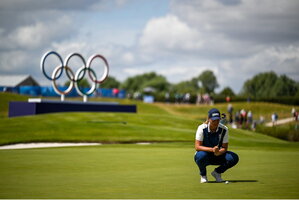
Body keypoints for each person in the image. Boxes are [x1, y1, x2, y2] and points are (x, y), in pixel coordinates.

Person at [194, 108, 239, 183]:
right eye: (213, 120)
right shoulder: (201, 128)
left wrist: (219, 152)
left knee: (233, 158)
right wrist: (212, 150)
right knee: (200, 156)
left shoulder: (224, 129)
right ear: (209, 119)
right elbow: (197, 147)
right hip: (205, 155)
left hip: (218, 155)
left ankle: (217, 173)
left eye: (217, 120)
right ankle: (203, 175)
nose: (216, 122)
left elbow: (225, 147)